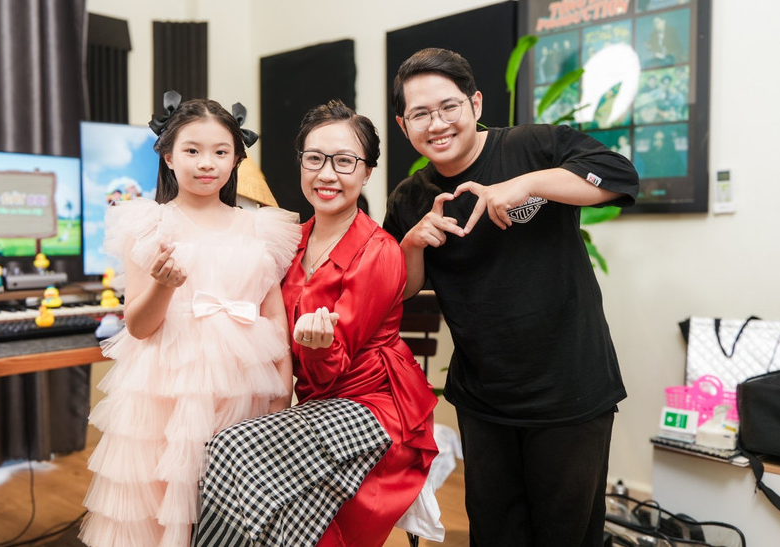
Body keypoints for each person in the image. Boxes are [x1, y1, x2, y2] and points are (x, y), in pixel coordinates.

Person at [383, 48, 639, 547]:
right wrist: (412, 244)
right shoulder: (410, 197)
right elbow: (401, 290)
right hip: (484, 398)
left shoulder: (533, 146)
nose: (437, 124)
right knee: (495, 533)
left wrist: (527, 185)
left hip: (570, 391)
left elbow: (619, 175)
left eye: (449, 107)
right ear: (403, 125)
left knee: (566, 535)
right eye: (420, 114)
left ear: (476, 103)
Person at [194, 100, 439, 547]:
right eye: (315, 159)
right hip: (316, 407)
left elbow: (330, 370)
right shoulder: (291, 241)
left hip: (375, 411)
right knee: (214, 449)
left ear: (367, 172)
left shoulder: (378, 251)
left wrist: (316, 346)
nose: (327, 174)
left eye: (344, 161)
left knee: (232, 449)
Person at [79, 94, 300, 547]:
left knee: (234, 511)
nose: (206, 163)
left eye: (220, 151)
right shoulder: (148, 224)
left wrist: (282, 391)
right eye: (192, 150)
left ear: (236, 158)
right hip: (168, 391)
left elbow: (274, 316)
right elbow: (138, 327)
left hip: (244, 386)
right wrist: (163, 286)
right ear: (168, 155)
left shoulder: (260, 227)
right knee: (167, 510)